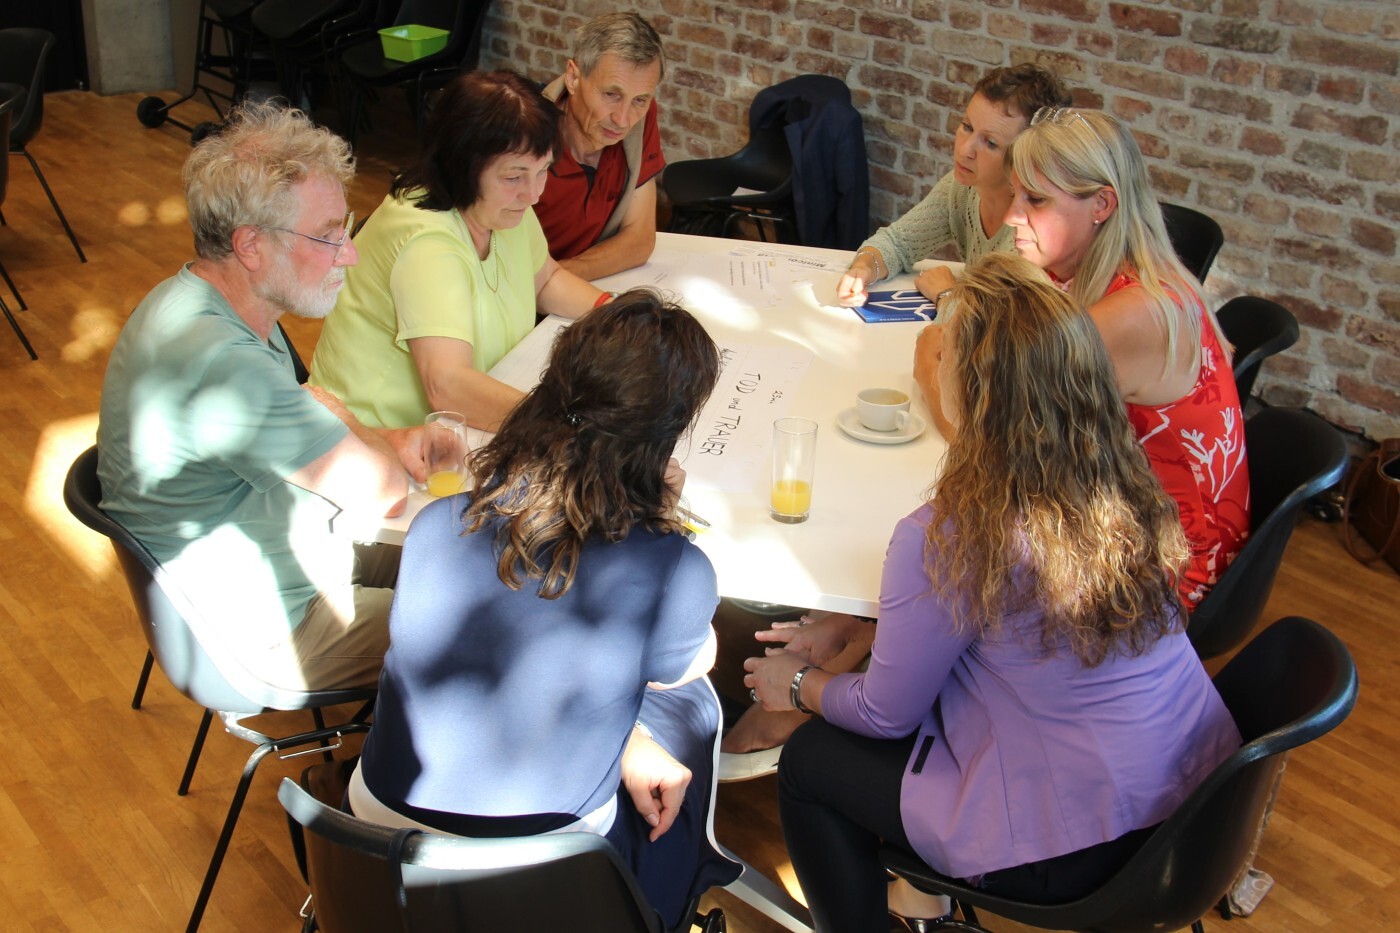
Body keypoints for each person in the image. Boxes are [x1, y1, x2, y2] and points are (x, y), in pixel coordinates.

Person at [743, 253, 1242, 932]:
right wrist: (861, 627)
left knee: (809, 762)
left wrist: (797, 683)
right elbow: (1004, 626)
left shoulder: (947, 532)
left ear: (975, 391)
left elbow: (886, 715)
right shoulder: (1124, 480)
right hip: (1198, 807)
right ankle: (922, 902)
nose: (933, 355)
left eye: (943, 348)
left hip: (1082, 847)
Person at [348, 289, 742, 928]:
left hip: (379, 851)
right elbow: (687, 668)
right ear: (664, 437)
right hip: (548, 874)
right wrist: (657, 517)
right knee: (691, 710)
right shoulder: (674, 568)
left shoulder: (437, 524)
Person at [97, 101, 425, 692]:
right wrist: (346, 422)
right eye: (328, 235)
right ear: (250, 245)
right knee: (488, 622)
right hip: (264, 631)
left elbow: (316, 431)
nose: (349, 253)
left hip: (283, 563)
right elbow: (383, 491)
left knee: (468, 560)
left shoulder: (212, 303)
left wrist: (381, 436)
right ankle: (384, 756)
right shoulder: (224, 362)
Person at [992, 105, 1249, 609]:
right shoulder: (1098, 274)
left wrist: (933, 360)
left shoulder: (1131, 314)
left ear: (1102, 204)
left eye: (1035, 200)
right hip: (1128, 516)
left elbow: (998, 440)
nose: (1010, 216)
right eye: (1015, 194)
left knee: (954, 536)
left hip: (1165, 567)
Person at [309, 70, 605, 433]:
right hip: (373, 437)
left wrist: (617, 314)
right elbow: (448, 387)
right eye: (514, 177)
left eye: (543, 170)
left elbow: (545, 279)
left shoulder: (502, 207)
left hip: (454, 427)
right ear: (463, 166)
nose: (534, 194)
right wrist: (568, 426)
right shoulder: (427, 241)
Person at [835, 64, 1071, 308]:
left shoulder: (1030, 229)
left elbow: (994, 321)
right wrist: (864, 269)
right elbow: (898, 243)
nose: (966, 149)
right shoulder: (962, 189)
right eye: (967, 127)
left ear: (1026, 157)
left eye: (990, 143)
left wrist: (944, 293)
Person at [535, 12, 666, 280]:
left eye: (640, 100)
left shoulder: (641, 117)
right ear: (573, 77)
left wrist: (556, 278)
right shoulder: (527, 140)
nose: (623, 120)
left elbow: (639, 241)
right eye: (611, 94)